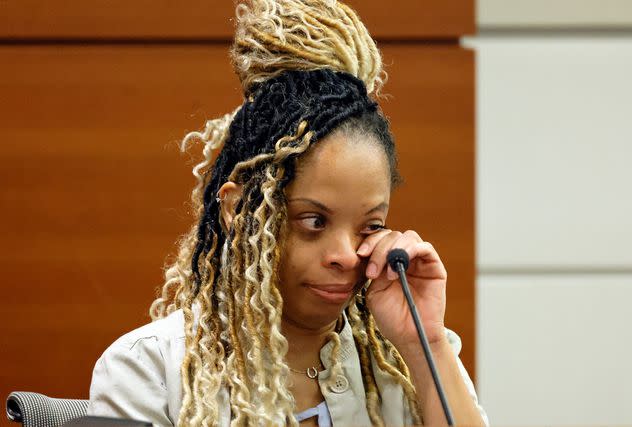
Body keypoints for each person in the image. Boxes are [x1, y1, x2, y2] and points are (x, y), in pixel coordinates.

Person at [87, 0, 489, 426]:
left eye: (369, 226)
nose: (347, 255)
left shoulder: (403, 361)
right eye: (314, 222)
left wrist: (425, 343)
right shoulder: (148, 370)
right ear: (237, 209)